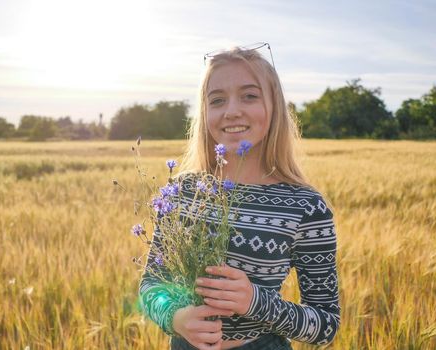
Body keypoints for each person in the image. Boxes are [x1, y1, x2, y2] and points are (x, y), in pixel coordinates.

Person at [138, 44, 340, 350]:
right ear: (205, 112)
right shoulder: (179, 192)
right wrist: (175, 318)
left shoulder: (306, 207)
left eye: (249, 95)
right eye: (217, 100)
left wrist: (255, 302)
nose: (232, 110)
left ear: (274, 105)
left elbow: (326, 325)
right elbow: (151, 286)